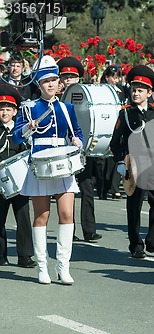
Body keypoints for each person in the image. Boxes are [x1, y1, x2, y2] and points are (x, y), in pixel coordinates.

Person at [12, 55, 84, 285]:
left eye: (54, 80)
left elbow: (78, 134)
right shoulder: (28, 108)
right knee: (42, 216)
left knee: (67, 215)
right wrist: (27, 128)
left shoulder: (67, 107)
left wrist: (77, 141)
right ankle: (42, 267)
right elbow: (15, 135)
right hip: (40, 164)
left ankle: (63, 267)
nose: (51, 84)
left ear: (59, 82)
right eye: (46, 81)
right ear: (38, 84)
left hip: (62, 164)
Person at [109, 65, 154, 259]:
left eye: (140, 90)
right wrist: (120, 162)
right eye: (134, 89)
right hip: (134, 165)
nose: (135, 93)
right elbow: (115, 142)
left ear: (149, 92)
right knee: (135, 205)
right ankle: (136, 244)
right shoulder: (126, 114)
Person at [57, 56, 102, 242]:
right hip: (63, 150)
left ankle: (89, 230)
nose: (68, 80)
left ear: (78, 79)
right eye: (64, 77)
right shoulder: (55, 99)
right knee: (67, 191)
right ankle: (70, 230)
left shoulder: (84, 97)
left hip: (82, 148)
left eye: (71, 77)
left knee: (87, 188)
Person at [0, 84, 35, 268]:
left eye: (8, 109)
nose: (4, 113)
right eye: (1, 109)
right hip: (0, 182)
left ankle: (25, 256)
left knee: (23, 218)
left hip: (20, 180)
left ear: (15, 111)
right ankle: (1, 255)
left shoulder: (21, 131)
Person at [98, 65, 127, 200]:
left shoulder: (122, 91)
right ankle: (103, 188)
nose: (115, 80)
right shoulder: (102, 90)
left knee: (117, 158)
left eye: (117, 78)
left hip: (118, 126)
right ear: (106, 77)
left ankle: (114, 188)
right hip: (105, 126)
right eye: (113, 77)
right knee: (104, 161)